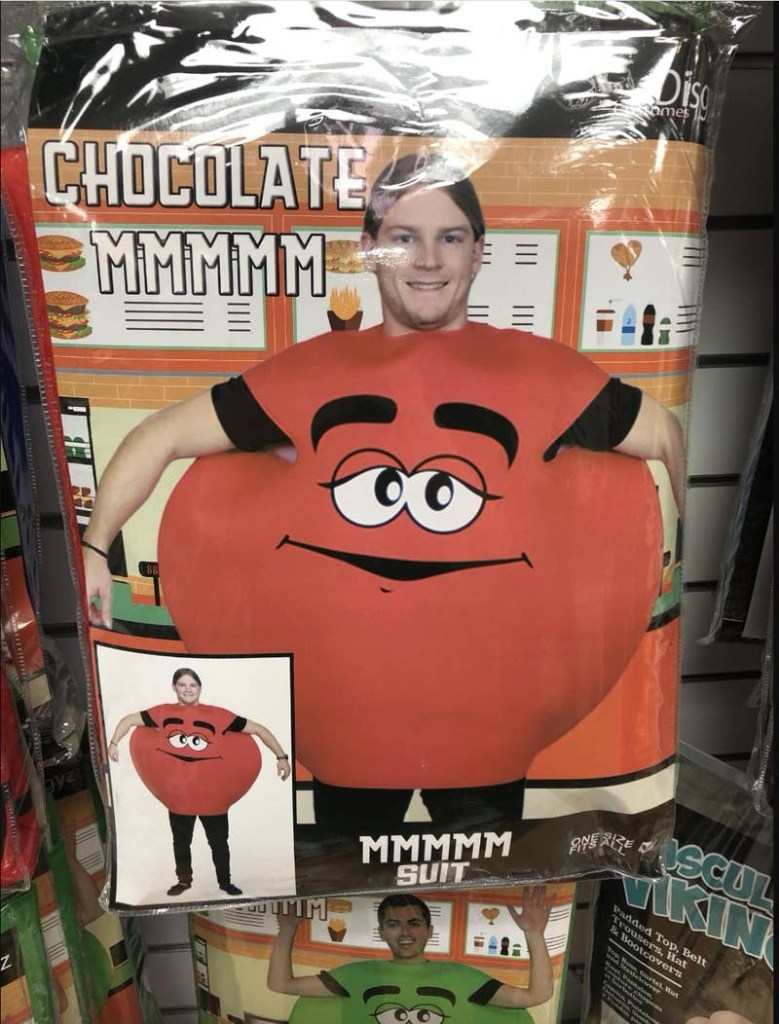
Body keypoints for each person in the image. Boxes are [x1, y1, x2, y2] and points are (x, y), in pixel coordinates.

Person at [84, 152, 684, 830]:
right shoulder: (309, 377)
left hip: (488, 727)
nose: (427, 259)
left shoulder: (543, 376)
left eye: (449, 237)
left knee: (481, 870)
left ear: (477, 252)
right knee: (351, 872)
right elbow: (163, 434)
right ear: (370, 249)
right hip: (347, 731)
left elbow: (664, 433)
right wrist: (96, 546)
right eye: (404, 237)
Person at [108, 666, 290, 896]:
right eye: (182, 685)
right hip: (179, 798)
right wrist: (114, 742)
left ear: (200, 688)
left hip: (212, 800)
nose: (188, 690)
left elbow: (259, 730)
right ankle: (184, 881)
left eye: (193, 685)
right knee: (181, 842)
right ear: (174, 687)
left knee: (219, 843)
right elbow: (129, 720)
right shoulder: (161, 713)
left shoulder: (217, 716)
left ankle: (225, 882)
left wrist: (281, 757)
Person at [267, 890, 553, 1017]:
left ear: (429, 930)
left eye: (413, 923)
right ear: (382, 932)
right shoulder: (358, 975)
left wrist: (534, 934)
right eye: (393, 924)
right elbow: (281, 984)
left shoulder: (461, 977)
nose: (404, 932)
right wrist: (287, 930)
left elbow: (536, 995)